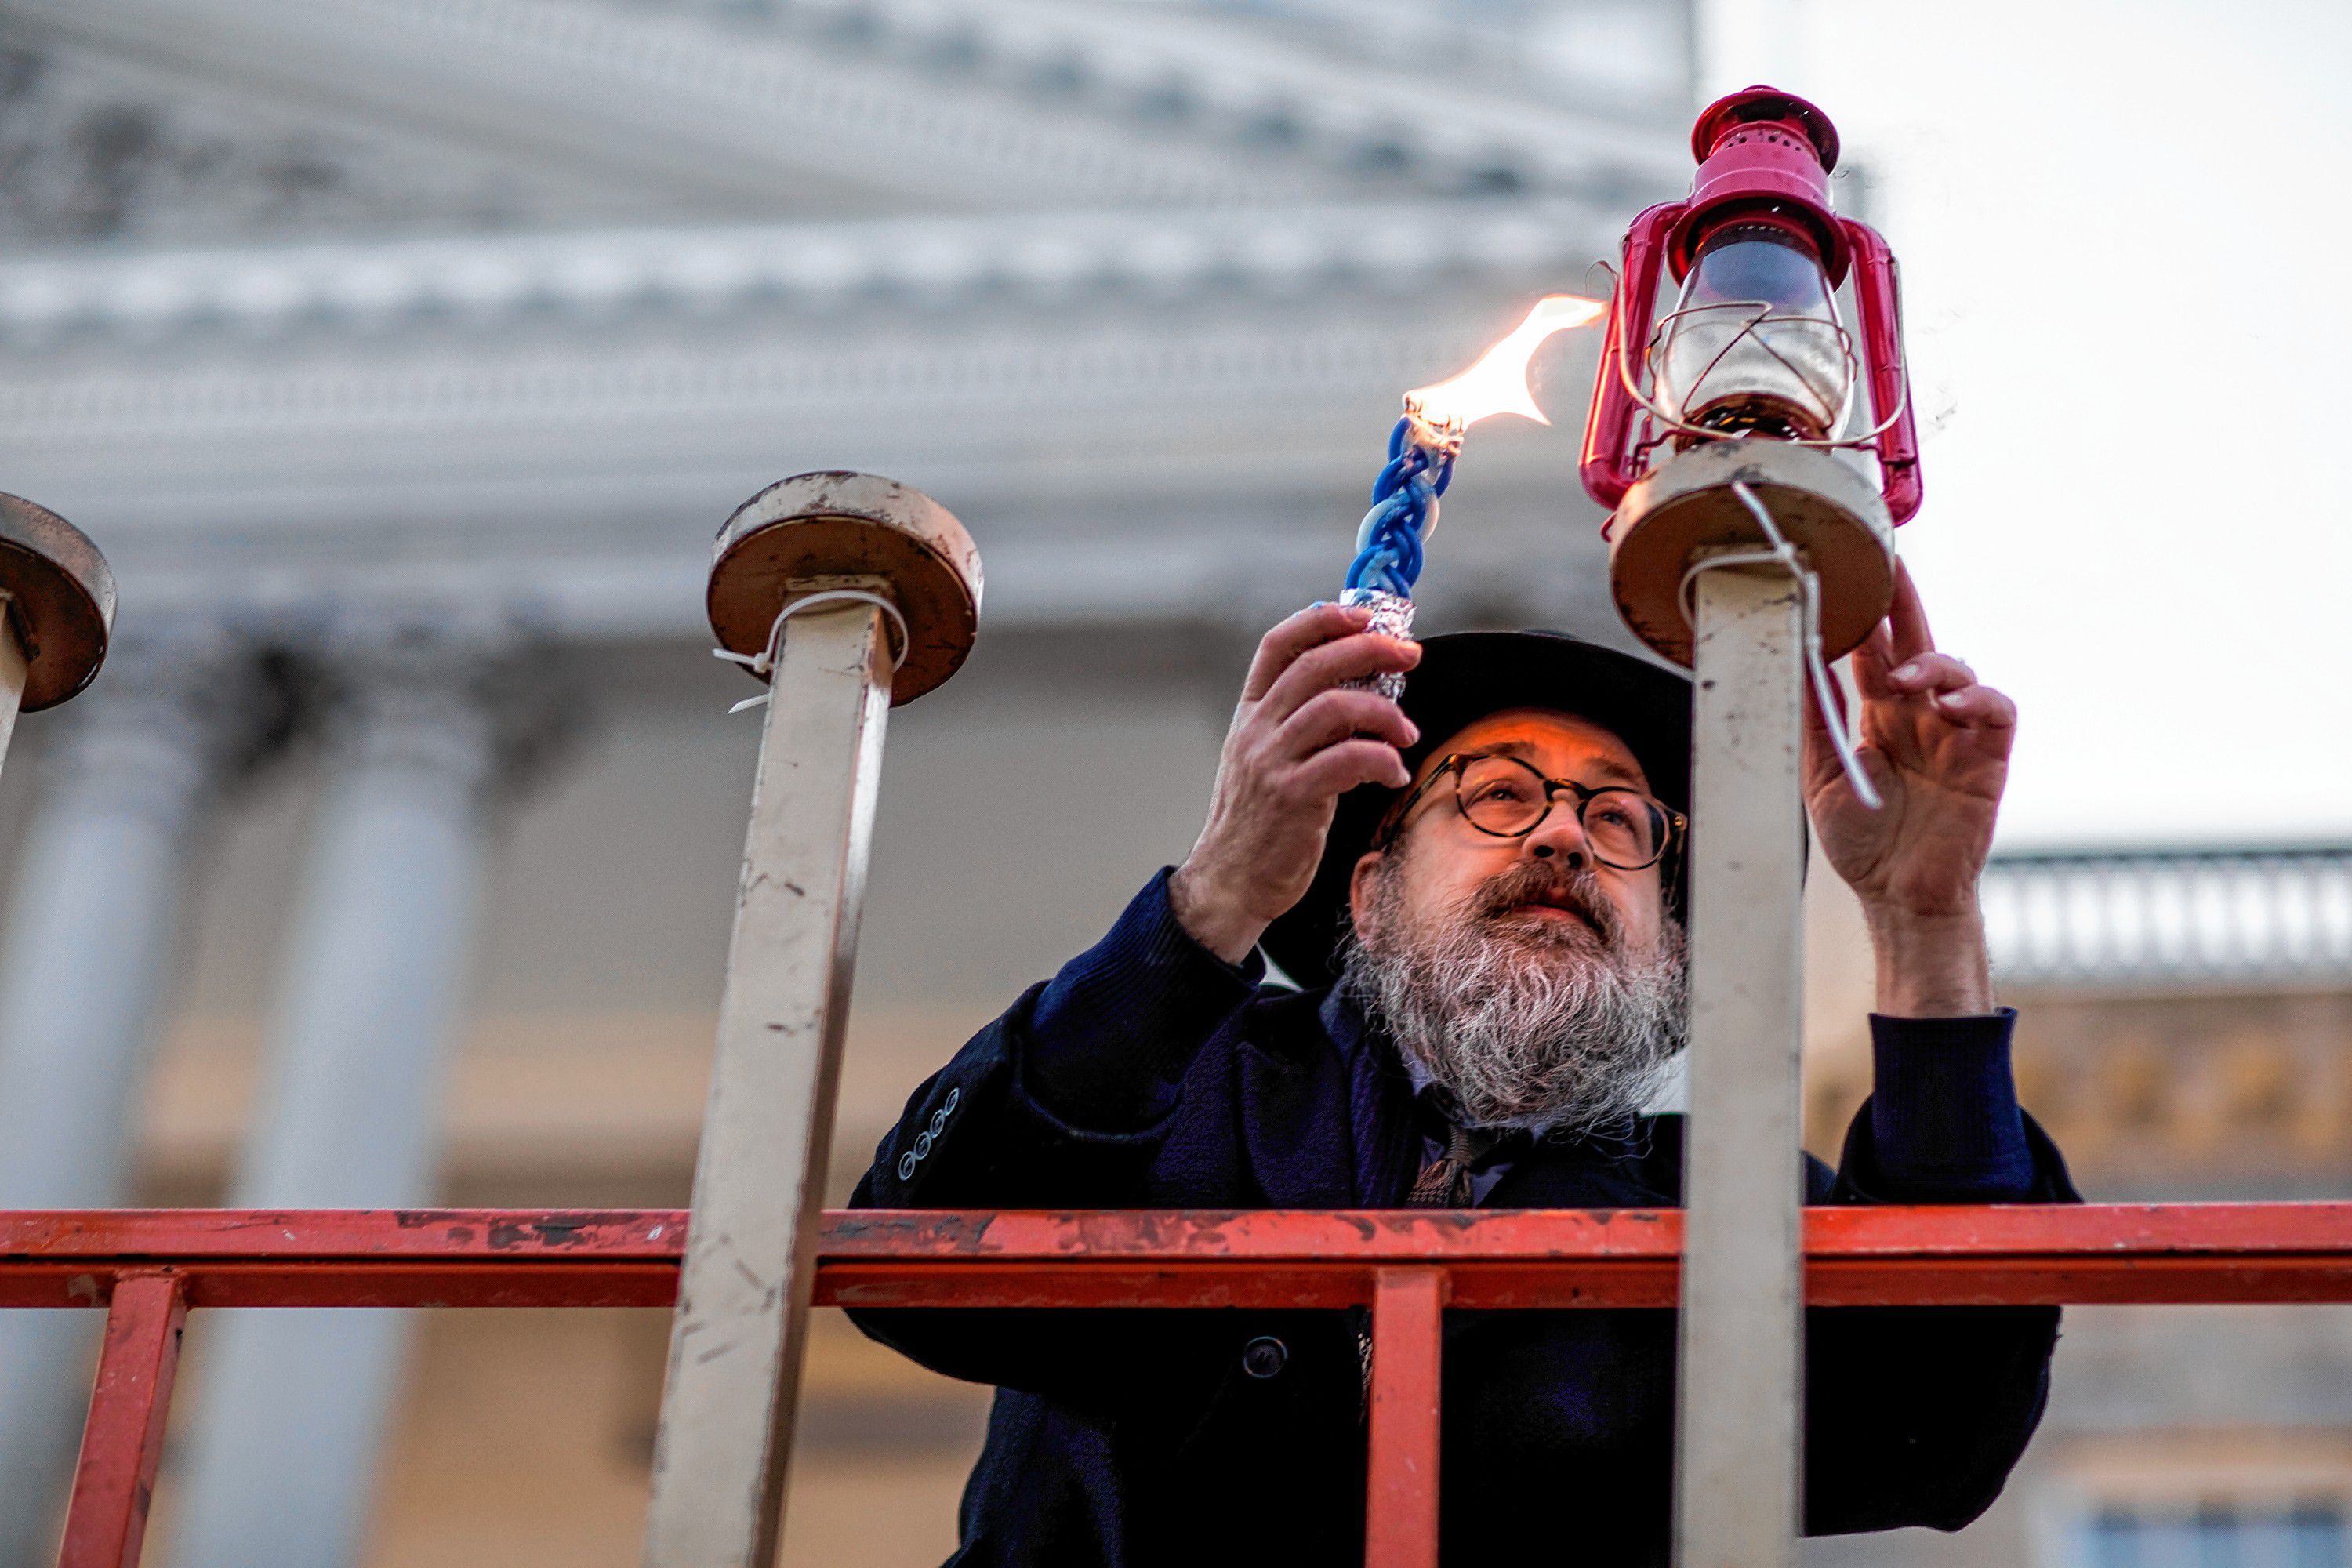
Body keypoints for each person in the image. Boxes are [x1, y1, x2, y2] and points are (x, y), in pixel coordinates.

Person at [849, 563, 2075, 1566]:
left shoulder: (1723, 1201)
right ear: (1371, 896)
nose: (1561, 832)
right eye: (1495, 794)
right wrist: (1215, 891)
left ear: (1671, 945)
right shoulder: (1187, 1081)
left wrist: (1924, 926)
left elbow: (1943, 1424)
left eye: (1619, 821)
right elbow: (915, 1250)